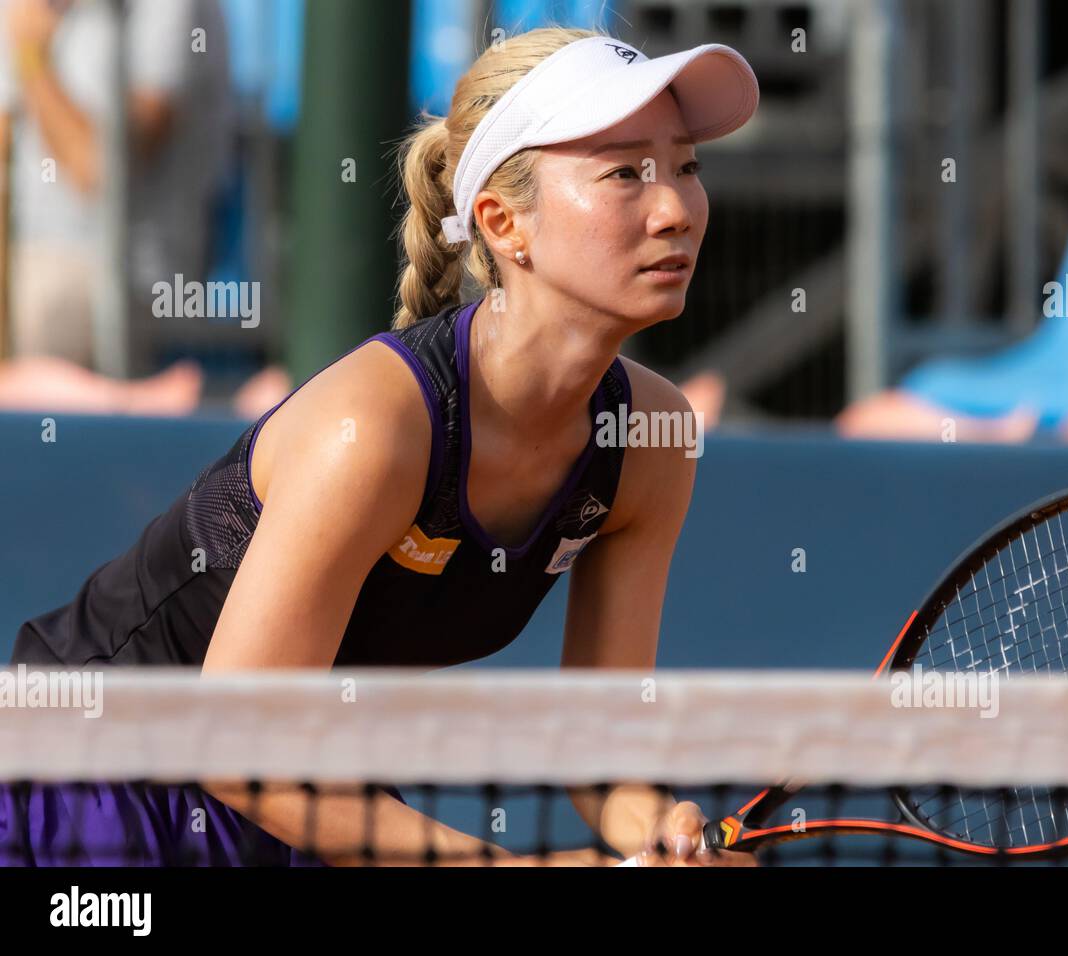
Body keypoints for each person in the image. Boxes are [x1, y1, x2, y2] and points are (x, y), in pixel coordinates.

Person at [0, 27, 760, 866]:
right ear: (505, 224)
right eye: (625, 173)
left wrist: (661, 834)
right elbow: (232, 747)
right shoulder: (375, 430)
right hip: (86, 781)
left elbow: (602, 751)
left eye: (685, 167)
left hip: (298, 789)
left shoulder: (651, 442)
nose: (675, 209)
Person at [0, 0, 233, 367]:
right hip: (31, 263)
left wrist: (32, 58)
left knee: (41, 310)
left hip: (135, 280)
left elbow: (98, 171)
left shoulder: (172, 9)